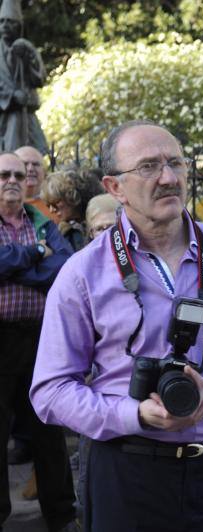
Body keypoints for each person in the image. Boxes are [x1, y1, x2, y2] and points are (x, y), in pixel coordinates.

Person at [29, 121, 203, 531]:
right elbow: (50, 390)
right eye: (148, 166)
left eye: (175, 163)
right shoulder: (83, 272)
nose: (168, 178)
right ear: (114, 187)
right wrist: (135, 413)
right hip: (127, 474)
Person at [0, 151, 75, 532]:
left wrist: (15, 270)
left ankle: (61, 514)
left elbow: (63, 264)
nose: (13, 180)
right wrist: (31, 256)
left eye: (17, 174)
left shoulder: (41, 221)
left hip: (42, 339)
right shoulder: (36, 237)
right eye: (3, 174)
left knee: (49, 429)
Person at [0, 1, 47, 153]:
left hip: (26, 118)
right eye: (2, 21)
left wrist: (30, 53)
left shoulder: (25, 48)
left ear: (19, 26)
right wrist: (12, 96)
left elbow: (39, 79)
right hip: (4, 117)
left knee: (31, 155)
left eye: (10, 22)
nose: (5, 25)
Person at [41, 169, 103, 251]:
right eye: (49, 205)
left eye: (56, 202)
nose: (52, 210)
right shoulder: (63, 231)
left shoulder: (102, 222)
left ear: (72, 196)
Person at [15, 146, 55, 221]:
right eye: (25, 164)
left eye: (36, 164)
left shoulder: (57, 205)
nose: (30, 169)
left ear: (44, 171)